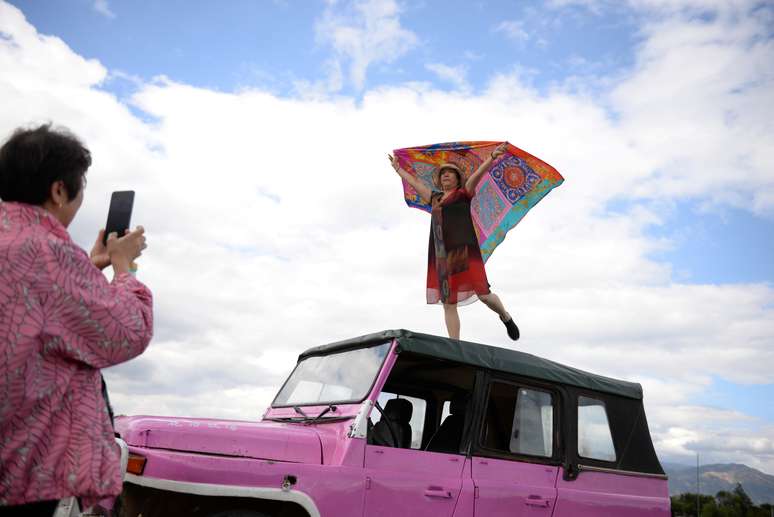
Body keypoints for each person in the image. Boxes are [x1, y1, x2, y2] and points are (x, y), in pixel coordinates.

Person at [0, 124, 153, 515]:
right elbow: (126, 332)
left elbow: (34, 313)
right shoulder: (48, 255)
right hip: (20, 473)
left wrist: (88, 266)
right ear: (58, 190)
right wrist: (124, 268)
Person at [389, 143, 519, 341]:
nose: (446, 176)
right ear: (440, 181)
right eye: (443, 174)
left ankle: (505, 316)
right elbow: (417, 184)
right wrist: (398, 169)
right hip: (442, 255)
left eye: (450, 173)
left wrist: (492, 157)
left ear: (457, 179)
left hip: (466, 251)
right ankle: (455, 345)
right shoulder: (434, 198)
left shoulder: (463, 194)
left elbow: (477, 176)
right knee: (448, 302)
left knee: (483, 294)